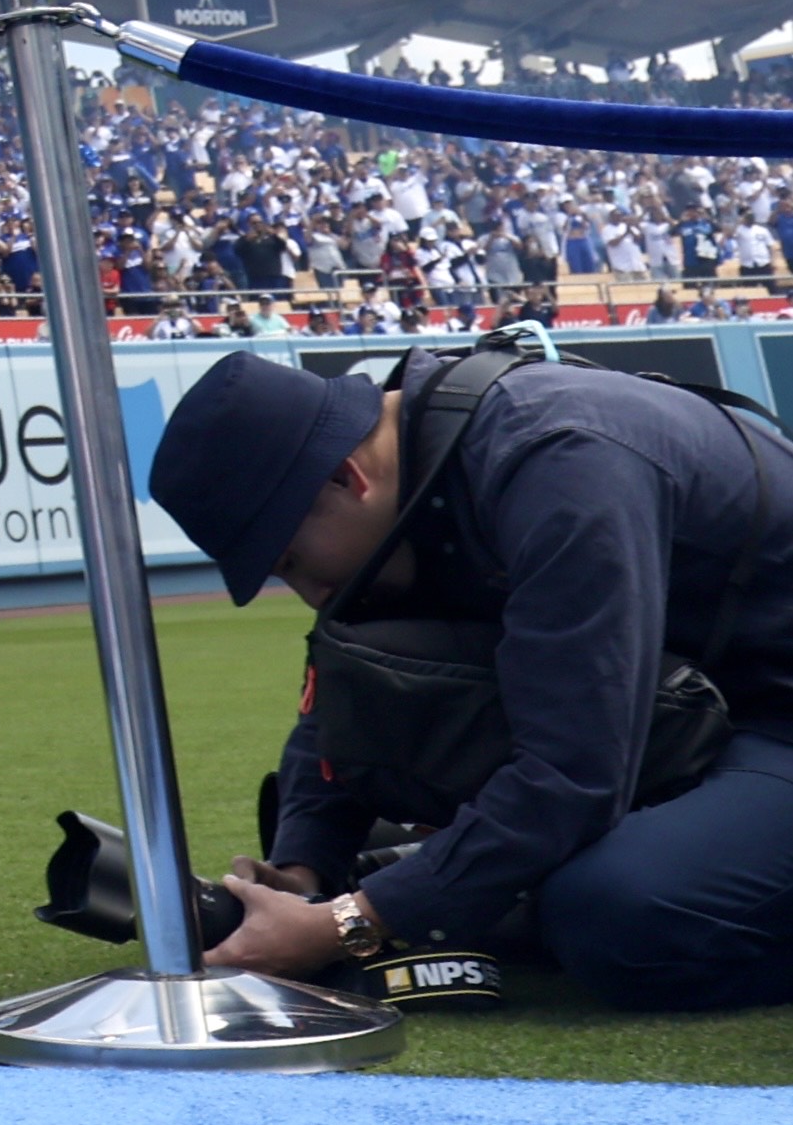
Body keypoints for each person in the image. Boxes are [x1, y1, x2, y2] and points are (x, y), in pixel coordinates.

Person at [147, 336, 793, 1006]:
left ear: (344, 478)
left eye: (288, 563)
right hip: (717, 713)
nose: (310, 593)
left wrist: (345, 925)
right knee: (402, 832)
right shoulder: (417, 450)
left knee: (613, 913)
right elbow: (352, 698)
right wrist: (302, 873)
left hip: (774, 715)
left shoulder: (558, 462)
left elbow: (571, 775)